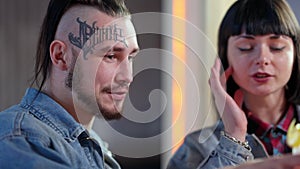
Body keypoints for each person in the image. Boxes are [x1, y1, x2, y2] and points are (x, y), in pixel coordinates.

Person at [0, 0, 139, 169]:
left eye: (130, 57)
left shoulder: (93, 149)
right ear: (61, 56)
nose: (127, 77)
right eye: (110, 56)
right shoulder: (23, 140)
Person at [168, 0, 300, 168]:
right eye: (246, 47)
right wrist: (234, 135)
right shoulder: (197, 148)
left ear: (295, 54)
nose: (262, 59)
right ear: (225, 57)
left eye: (277, 47)